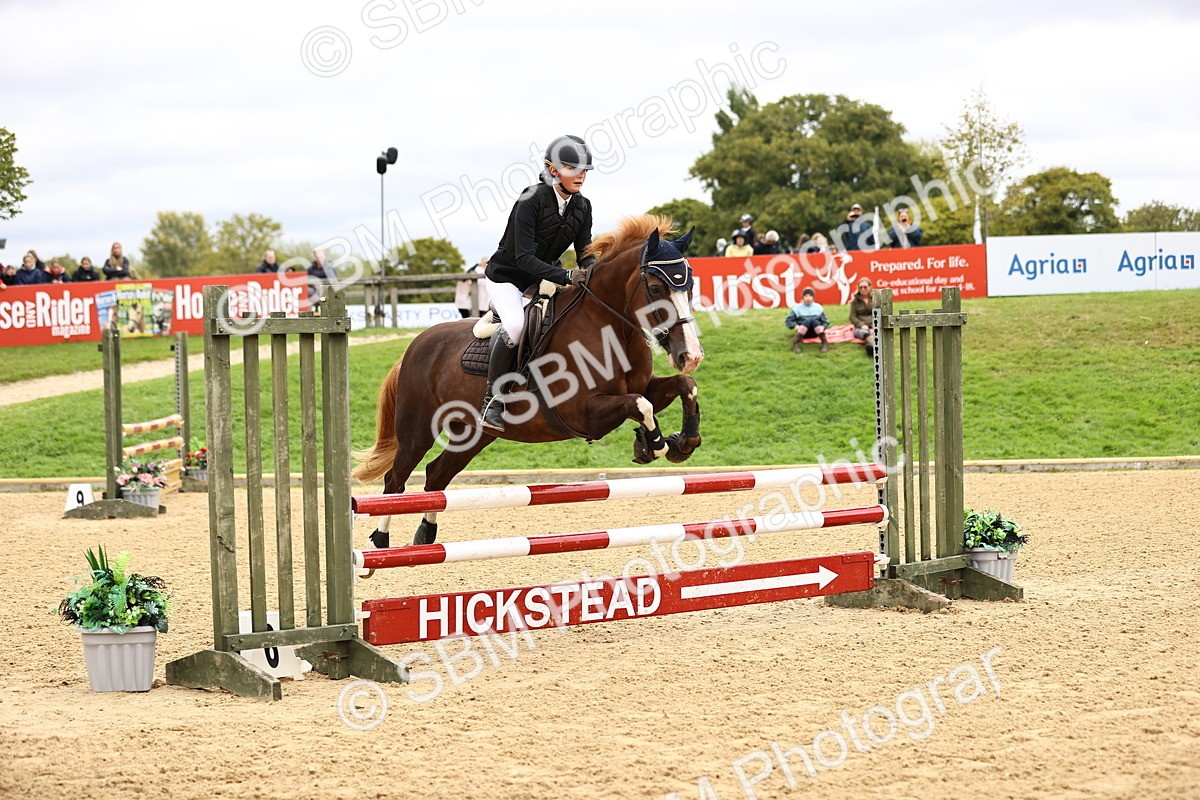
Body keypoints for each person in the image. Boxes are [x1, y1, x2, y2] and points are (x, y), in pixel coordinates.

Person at [479, 134, 595, 432]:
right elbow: (523, 259)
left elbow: (585, 252)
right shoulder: (531, 198)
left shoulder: (583, 207)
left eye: (583, 170)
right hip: (508, 276)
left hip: (543, 279)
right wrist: (566, 276)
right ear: (553, 170)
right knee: (516, 327)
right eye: (572, 168)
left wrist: (595, 274)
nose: (580, 175)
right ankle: (492, 401)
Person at [785, 287, 830, 354]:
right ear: (803, 297)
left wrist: (823, 327)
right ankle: (795, 343)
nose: (808, 298)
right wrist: (795, 326)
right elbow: (788, 321)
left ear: (813, 297)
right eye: (806, 296)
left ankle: (824, 342)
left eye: (810, 296)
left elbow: (825, 321)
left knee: (813, 320)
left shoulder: (818, 307)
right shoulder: (797, 308)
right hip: (803, 333)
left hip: (816, 332)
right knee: (808, 320)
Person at [849, 277, 875, 358]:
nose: (863, 289)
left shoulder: (875, 298)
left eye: (865, 287)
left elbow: (880, 313)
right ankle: (874, 346)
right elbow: (852, 317)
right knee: (862, 332)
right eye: (861, 287)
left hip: (874, 324)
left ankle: (871, 347)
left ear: (870, 287)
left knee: (876, 332)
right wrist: (861, 324)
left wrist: (873, 325)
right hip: (861, 326)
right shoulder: (855, 301)